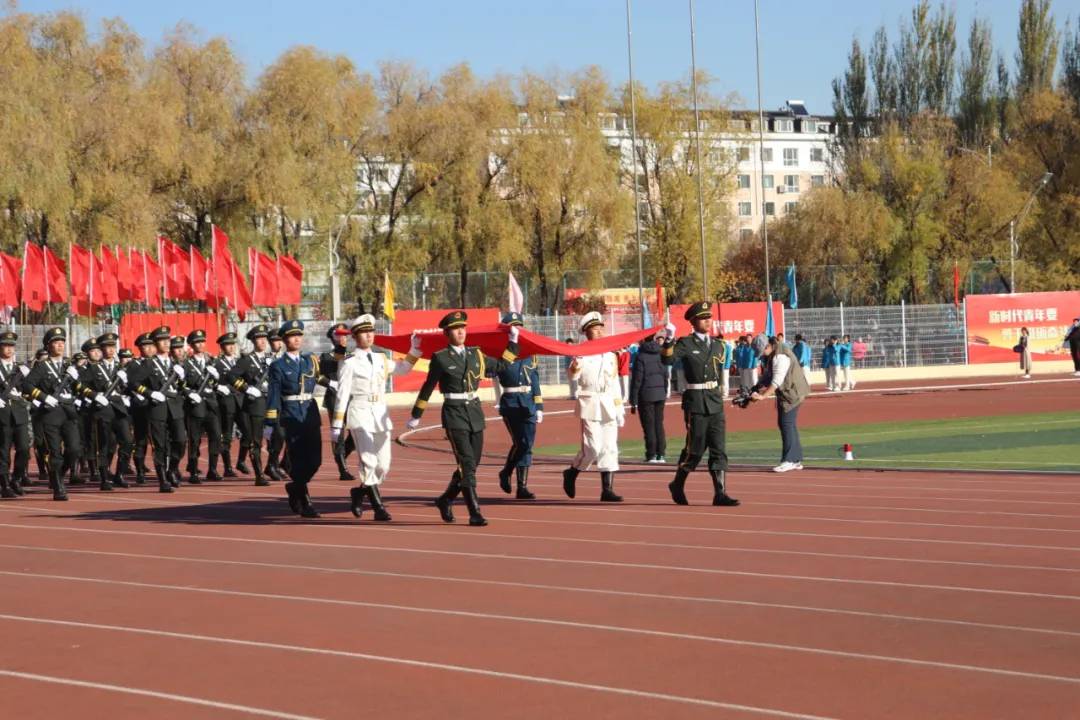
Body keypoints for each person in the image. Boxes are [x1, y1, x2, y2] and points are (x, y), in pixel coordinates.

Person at [406, 311, 521, 526]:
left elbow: (500, 366)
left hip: (474, 413)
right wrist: (416, 415)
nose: (460, 332)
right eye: (455, 329)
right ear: (447, 333)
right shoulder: (441, 358)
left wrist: (513, 342)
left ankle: (445, 499)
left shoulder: (476, 354)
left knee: (472, 464)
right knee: (466, 463)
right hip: (454, 413)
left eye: (462, 328)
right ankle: (474, 512)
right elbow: (428, 387)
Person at [331, 314, 421, 519]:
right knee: (369, 463)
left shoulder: (381, 359)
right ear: (355, 337)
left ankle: (359, 492)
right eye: (364, 332)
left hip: (380, 414)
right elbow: (342, 395)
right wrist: (337, 425)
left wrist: (414, 349)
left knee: (383, 466)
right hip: (360, 413)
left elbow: (403, 370)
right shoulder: (349, 363)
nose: (369, 335)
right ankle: (378, 508)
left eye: (370, 331)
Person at [661, 302, 739, 507]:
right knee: (694, 449)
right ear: (694, 322)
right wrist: (668, 339)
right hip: (696, 400)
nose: (708, 321)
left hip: (714, 400)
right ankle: (677, 484)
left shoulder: (718, 345)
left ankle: (720, 493)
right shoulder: (686, 343)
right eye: (703, 318)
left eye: (709, 317)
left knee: (718, 448)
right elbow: (668, 361)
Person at [562, 312, 624, 503]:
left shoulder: (610, 355)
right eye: (595, 329)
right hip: (590, 402)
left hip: (608, 403)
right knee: (592, 448)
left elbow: (614, 383)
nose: (599, 332)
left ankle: (607, 489)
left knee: (609, 447)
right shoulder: (582, 353)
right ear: (586, 332)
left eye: (601, 329)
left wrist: (619, 408)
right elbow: (572, 376)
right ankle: (572, 472)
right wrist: (576, 363)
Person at [265, 319, 325, 518]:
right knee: (298, 461)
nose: (297, 339)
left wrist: (333, 383)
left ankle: (294, 487)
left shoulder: (310, 361)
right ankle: (307, 504)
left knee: (315, 460)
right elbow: (273, 393)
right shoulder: (278, 365)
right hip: (291, 414)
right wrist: (270, 422)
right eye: (292, 336)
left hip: (310, 413)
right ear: (284, 340)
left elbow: (318, 377)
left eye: (299, 335)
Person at [23, 327, 83, 501]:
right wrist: (43, 397)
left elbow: (77, 389)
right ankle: (58, 487)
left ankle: (58, 474)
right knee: (54, 451)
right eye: (56, 342)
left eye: (62, 342)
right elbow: (27, 386)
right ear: (48, 346)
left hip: (69, 412)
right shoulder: (42, 366)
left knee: (74, 448)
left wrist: (77, 379)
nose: (60, 345)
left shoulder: (68, 365)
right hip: (50, 413)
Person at [128, 327, 187, 492]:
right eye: (162, 341)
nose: (166, 344)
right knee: (159, 445)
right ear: (155, 344)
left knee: (180, 441)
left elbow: (181, 387)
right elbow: (133, 383)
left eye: (167, 340)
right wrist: (149, 393)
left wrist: (182, 378)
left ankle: (172, 468)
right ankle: (163, 480)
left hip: (175, 406)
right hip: (157, 408)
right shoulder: (148, 363)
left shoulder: (176, 363)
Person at [492, 312, 543, 500]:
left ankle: (522, 487)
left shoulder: (530, 353)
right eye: (514, 327)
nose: (518, 330)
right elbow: (494, 374)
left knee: (528, 444)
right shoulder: (500, 352)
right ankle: (506, 472)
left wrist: (539, 406)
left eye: (520, 327)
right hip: (511, 401)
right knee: (520, 442)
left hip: (528, 402)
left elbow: (535, 380)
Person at [75, 332, 132, 491]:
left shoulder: (121, 367)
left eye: (113, 346)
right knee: (104, 445)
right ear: (101, 349)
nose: (111, 350)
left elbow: (129, 386)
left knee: (127, 441)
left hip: (119, 408)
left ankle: (120, 473)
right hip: (101, 409)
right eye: (107, 347)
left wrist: (127, 386)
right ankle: (104, 478)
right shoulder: (93, 367)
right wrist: (94, 396)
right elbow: (79, 386)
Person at [751, 335, 811, 473]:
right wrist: (757, 386)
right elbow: (768, 374)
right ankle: (796, 460)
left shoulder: (780, 356)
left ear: (768, 346)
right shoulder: (774, 353)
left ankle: (789, 460)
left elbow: (777, 380)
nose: (761, 355)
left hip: (792, 393)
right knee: (789, 424)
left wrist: (763, 396)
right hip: (790, 392)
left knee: (786, 424)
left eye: (762, 351)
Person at [229, 325, 274, 487]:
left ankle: (273, 466)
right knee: (256, 440)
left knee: (277, 436)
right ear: (254, 341)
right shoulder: (247, 360)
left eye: (264, 338)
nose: (262, 341)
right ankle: (259, 474)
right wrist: (247, 388)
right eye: (259, 338)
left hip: (271, 403)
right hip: (255, 405)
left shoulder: (271, 359)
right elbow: (232, 376)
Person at [183, 329, 223, 483]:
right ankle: (193, 471)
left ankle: (212, 469)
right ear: (192, 345)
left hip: (211, 404)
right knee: (194, 440)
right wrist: (189, 393)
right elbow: (181, 384)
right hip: (195, 405)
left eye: (202, 341)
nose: (201, 344)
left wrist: (217, 378)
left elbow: (218, 382)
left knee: (216, 437)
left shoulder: (211, 362)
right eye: (197, 342)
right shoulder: (186, 364)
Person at [319, 323, 357, 481]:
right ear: (332, 339)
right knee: (338, 434)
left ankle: (340, 457)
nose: (342, 339)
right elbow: (318, 376)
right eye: (338, 336)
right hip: (334, 397)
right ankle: (343, 469)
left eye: (344, 336)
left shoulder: (353, 355)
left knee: (356, 433)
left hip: (352, 398)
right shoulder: (326, 356)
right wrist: (330, 383)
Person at [0, 331, 31, 498]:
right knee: (3, 451)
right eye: (5, 345)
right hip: (2, 414)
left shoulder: (20, 368)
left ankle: (16, 478)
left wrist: (28, 377)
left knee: (24, 448)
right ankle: (4, 484)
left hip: (19, 412)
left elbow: (29, 389)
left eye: (11, 346)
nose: (9, 349)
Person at [630, 333, 668, 463]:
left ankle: (651, 454)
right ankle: (661, 454)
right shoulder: (660, 354)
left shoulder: (641, 356)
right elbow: (665, 375)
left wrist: (633, 400)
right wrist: (664, 391)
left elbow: (637, 380)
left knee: (649, 425)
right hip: (660, 393)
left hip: (646, 394)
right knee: (659, 424)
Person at [128, 333, 157, 484]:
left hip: (156, 405)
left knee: (159, 439)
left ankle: (163, 469)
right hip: (140, 406)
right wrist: (139, 396)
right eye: (146, 346)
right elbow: (130, 384)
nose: (150, 349)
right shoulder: (134, 365)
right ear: (140, 348)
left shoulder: (157, 363)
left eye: (152, 346)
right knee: (141, 439)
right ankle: (140, 470)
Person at [213, 332, 242, 477]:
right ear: (222, 347)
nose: (231, 347)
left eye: (232, 344)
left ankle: (241, 461)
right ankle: (227, 467)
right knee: (227, 435)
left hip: (241, 401)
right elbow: (211, 382)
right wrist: (218, 387)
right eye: (228, 345)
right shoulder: (216, 363)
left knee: (248, 433)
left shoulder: (239, 361)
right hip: (226, 402)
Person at [265, 332, 287, 480]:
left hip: (286, 401)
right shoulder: (264, 359)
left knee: (286, 435)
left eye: (280, 340)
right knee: (276, 435)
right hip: (271, 401)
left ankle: (279, 464)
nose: (277, 343)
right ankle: (272, 465)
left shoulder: (287, 358)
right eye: (274, 341)